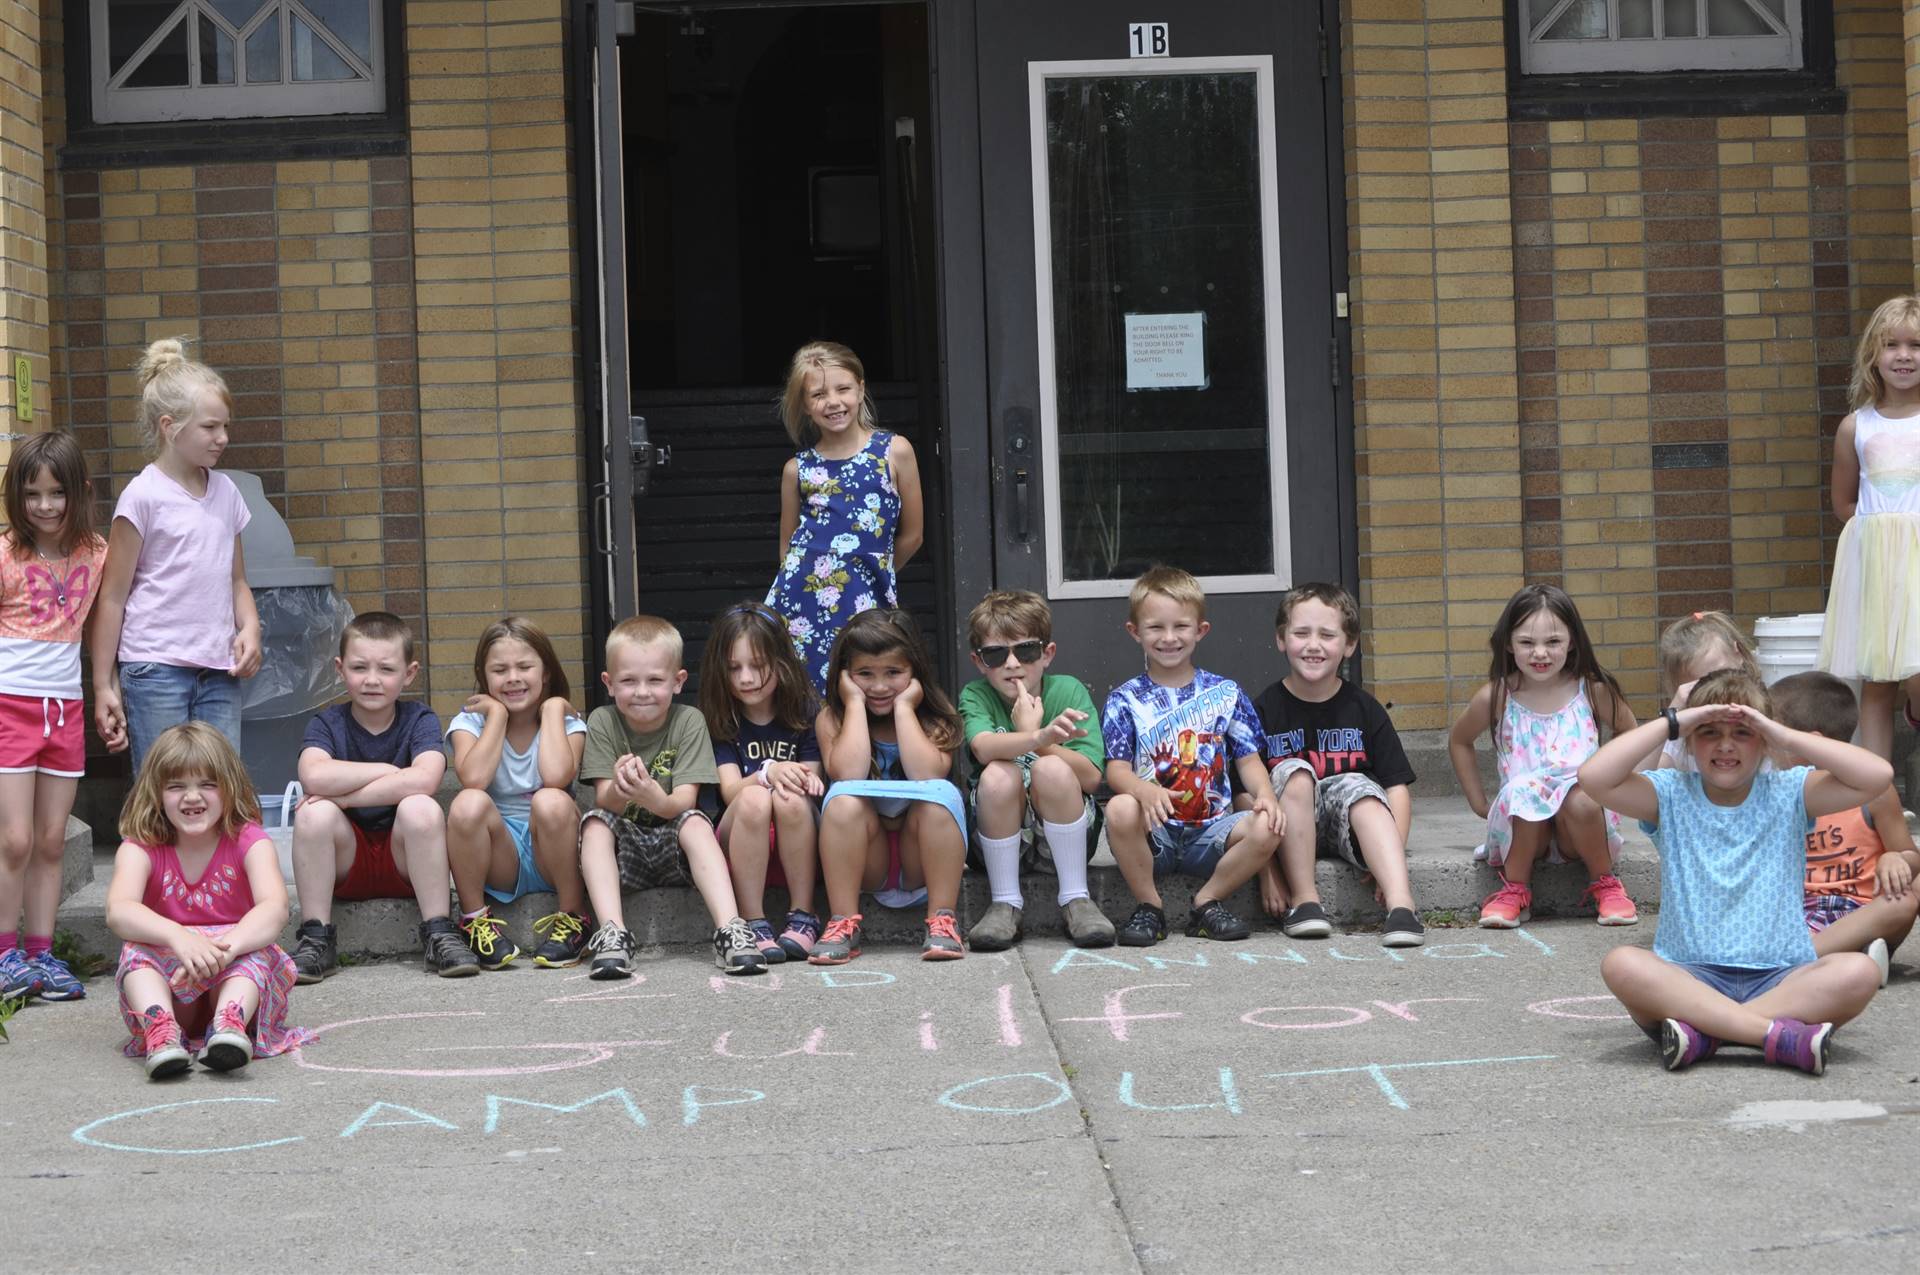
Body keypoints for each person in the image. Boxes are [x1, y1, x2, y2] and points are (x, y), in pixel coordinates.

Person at [1581, 669, 1891, 1075]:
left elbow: (1878, 776)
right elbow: (1593, 778)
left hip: (1782, 977)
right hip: (1688, 977)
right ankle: (1770, 1035)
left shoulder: (1791, 790)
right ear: (1690, 740)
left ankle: (1707, 1032)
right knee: (1622, 963)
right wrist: (1674, 721)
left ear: (1763, 741)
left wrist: (1782, 734)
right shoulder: (1670, 793)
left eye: (1742, 733)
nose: (1725, 746)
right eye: (1709, 732)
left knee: (1859, 971)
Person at [90, 338, 261, 773]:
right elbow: (112, 596)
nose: (222, 438)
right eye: (209, 427)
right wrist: (102, 683)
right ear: (170, 426)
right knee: (163, 789)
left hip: (219, 670)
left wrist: (252, 627)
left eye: (225, 426)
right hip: (155, 669)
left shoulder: (227, 491)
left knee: (220, 787)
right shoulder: (142, 497)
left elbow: (236, 579)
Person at [104, 723, 312, 1078]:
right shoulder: (141, 845)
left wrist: (224, 949)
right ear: (156, 792)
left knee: (259, 948)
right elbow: (118, 910)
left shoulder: (249, 839)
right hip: (173, 986)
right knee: (136, 950)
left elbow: (274, 908)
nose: (192, 797)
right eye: (176, 786)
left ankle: (228, 1027)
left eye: (207, 784)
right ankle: (162, 1032)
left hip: (232, 984)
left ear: (230, 788)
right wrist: (179, 937)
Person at [288, 611, 478, 982]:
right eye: (359, 668)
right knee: (313, 815)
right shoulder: (326, 723)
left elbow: (425, 780)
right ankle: (316, 937)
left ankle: (439, 931)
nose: (372, 680)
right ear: (340, 669)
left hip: (404, 859)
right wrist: (390, 772)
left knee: (420, 807)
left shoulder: (419, 719)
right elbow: (313, 775)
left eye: (387, 670)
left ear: (409, 673)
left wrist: (342, 798)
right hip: (347, 859)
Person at [1102, 566, 1281, 948]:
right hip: (1157, 833)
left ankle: (1207, 903)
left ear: (1201, 630)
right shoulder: (1125, 699)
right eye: (1155, 628)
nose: (1169, 638)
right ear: (1135, 632)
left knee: (1268, 822)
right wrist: (1143, 791)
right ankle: (1149, 906)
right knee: (1119, 808)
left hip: (1214, 833)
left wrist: (1265, 794)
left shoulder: (1226, 692)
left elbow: (1248, 760)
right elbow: (1116, 771)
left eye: (1181, 627)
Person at [578, 615, 765, 979]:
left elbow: (683, 803)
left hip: (675, 847)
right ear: (609, 683)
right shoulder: (602, 721)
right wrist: (623, 788)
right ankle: (613, 933)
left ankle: (731, 930)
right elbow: (604, 799)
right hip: (626, 850)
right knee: (595, 824)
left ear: (678, 681)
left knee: (696, 823)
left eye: (655, 680)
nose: (642, 691)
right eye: (629, 681)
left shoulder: (689, 721)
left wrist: (650, 795)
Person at [1448, 584, 1639, 928]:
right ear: (1508, 642)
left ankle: (1605, 883)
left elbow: (1631, 732)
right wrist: (1480, 803)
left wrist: (1614, 785)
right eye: (1526, 642)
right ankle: (1515, 889)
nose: (1540, 653)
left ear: (1573, 642)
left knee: (1581, 796)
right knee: (1526, 793)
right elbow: (1460, 740)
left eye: (1553, 642)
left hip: (1580, 824)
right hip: (1524, 828)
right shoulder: (1498, 695)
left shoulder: (1592, 691)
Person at [0, 432, 112, 1003]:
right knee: (14, 839)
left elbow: (100, 625)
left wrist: (104, 688)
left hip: (64, 711)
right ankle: (3, 958)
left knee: (49, 841)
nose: (44, 505)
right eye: (31, 493)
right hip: (8, 707)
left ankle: (41, 958)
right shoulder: (3, 553)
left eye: (56, 492)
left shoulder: (96, 551)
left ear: (79, 492)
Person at [1252, 581, 1423, 948]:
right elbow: (1246, 797)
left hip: (1350, 829)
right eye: (1301, 633)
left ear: (1349, 645)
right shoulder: (1263, 709)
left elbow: (1396, 787)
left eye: (1327, 635)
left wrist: (1392, 855)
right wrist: (1266, 870)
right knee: (1295, 774)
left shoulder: (1365, 708)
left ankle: (1401, 904)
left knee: (1362, 790)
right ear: (1282, 639)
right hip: (1287, 829)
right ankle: (1305, 901)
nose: (1313, 645)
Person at [808, 609, 969, 964]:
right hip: (866, 856)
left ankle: (943, 919)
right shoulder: (832, 718)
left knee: (939, 799)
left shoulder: (934, 717)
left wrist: (905, 708)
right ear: (845, 675)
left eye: (894, 673)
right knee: (843, 800)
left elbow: (927, 773)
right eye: (864, 674)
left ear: (915, 673)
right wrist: (852, 703)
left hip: (921, 857)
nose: (879, 687)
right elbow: (846, 773)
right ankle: (843, 922)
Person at [764, 341, 924, 692]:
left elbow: (913, 535)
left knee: (868, 684)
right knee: (808, 693)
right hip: (802, 602)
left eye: (843, 389)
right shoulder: (798, 469)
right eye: (818, 394)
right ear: (805, 405)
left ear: (861, 388)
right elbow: (787, 549)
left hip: (866, 597)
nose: (833, 402)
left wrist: (868, 575)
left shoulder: (894, 451)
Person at [958, 589, 1111, 950]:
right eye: (996, 654)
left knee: (1053, 769)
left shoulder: (1068, 690)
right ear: (980, 662)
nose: (1012, 663)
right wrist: (1036, 734)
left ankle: (1077, 898)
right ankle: (1004, 903)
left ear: (1047, 655)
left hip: (1063, 837)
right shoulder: (976, 695)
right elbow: (981, 748)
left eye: (1025, 650)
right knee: (998, 774)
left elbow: (1091, 778)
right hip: (996, 837)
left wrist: (1038, 740)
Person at [445, 617, 588, 971]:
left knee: (551, 799)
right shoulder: (469, 724)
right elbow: (474, 778)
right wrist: (496, 715)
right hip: (499, 855)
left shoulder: (569, 724)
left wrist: (554, 709)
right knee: (467, 803)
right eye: (500, 670)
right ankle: (475, 921)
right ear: (484, 675)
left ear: (547, 673)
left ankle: (572, 920)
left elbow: (556, 776)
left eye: (525, 667)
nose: (512, 678)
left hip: (552, 851)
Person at [1770, 670, 1919, 987]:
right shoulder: (1775, 792)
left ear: (1811, 743)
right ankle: (1831, 957)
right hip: (1800, 916)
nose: (1765, 748)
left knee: (1908, 897)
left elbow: (1909, 853)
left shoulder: (1873, 792)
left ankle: (1805, 960)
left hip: (1865, 912)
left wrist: (1897, 859)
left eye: (1774, 738)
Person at [1820, 294, 1920, 760]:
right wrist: (1883, 537)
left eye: (1916, 345)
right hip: (1880, 568)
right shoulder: (1855, 427)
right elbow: (1844, 502)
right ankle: (1880, 799)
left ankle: (1916, 704)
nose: (1904, 355)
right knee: (1879, 683)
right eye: (1892, 345)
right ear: (1873, 357)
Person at [698, 602, 824, 963]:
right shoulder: (722, 717)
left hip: (796, 832)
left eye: (757, 666)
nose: (746, 678)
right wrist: (768, 772)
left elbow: (810, 781)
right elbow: (730, 790)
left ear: (782, 661)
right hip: (741, 833)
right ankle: (751, 921)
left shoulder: (805, 712)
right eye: (734, 668)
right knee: (754, 798)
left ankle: (803, 915)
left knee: (792, 798)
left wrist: (787, 778)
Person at [1651, 610, 1763, 771]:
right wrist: (1670, 718)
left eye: (1721, 676)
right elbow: (1642, 776)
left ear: (1738, 655)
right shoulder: (1684, 735)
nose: (1717, 692)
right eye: (1702, 686)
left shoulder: (1767, 715)